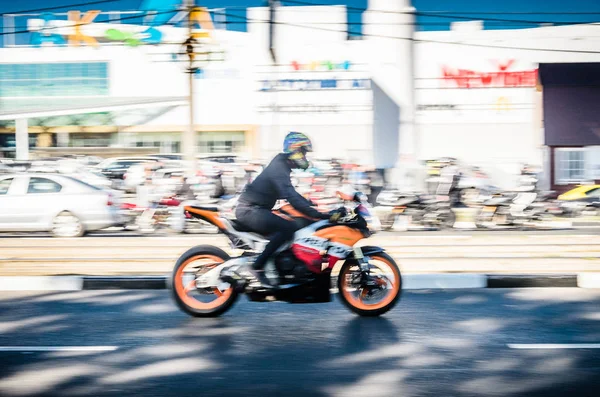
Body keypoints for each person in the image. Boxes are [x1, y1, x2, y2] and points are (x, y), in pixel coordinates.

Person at [235, 132, 336, 287]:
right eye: (303, 151)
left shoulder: (282, 165)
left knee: (298, 223)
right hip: (250, 210)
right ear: (294, 150)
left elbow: (292, 193)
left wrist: (312, 207)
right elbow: (290, 196)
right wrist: (317, 214)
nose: (304, 156)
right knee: (287, 228)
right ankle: (257, 267)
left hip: (258, 209)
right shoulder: (279, 166)